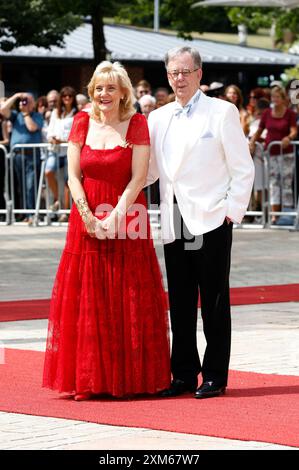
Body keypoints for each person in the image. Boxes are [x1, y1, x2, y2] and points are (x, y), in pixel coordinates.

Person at [42, 60, 170, 400]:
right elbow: (72, 176)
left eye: (111, 87)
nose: (104, 93)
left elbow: (139, 177)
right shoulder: (81, 121)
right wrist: (86, 215)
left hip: (127, 215)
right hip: (85, 217)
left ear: (124, 91)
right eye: (99, 87)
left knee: (127, 291)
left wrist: (116, 216)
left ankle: (129, 377)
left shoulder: (137, 123)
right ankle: (90, 377)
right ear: (91, 91)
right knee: (90, 293)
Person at [147, 46, 254, 399]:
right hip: (174, 217)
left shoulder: (221, 112)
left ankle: (215, 376)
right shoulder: (158, 118)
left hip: (211, 217)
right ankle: (182, 374)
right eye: (173, 72)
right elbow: (149, 172)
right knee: (179, 301)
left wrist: (231, 211)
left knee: (214, 301)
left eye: (185, 72)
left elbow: (242, 168)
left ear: (199, 74)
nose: (178, 78)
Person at [250, 86, 297, 224]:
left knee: (286, 184)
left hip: (286, 154)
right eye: (273, 97)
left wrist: (289, 138)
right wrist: (252, 141)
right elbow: (259, 130)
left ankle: (287, 215)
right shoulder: (267, 113)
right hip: (270, 154)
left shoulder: (290, 114)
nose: (275, 100)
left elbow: (294, 130)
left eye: (277, 97)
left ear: (283, 99)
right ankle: (275, 215)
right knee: (273, 184)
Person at [0, 92, 43, 224]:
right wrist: (16, 96)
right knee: (20, 186)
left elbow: (31, 127)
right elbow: (2, 109)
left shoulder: (37, 116)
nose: (23, 103)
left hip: (31, 155)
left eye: (27, 101)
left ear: (33, 104)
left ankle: (32, 214)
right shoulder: (15, 116)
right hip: (17, 156)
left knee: (31, 185)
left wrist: (25, 114)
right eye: (22, 101)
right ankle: (25, 214)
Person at [46, 86, 78, 221]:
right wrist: (52, 138)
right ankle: (57, 200)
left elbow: (76, 134)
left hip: (69, 150)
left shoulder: (77, 113)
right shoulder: (55, 112)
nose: (67, 99)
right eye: (64, 96)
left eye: (70, 96)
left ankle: (65, 212)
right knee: (48, 172)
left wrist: (63, 140)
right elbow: (50, 131)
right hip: (55, 150)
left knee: (67, 182)